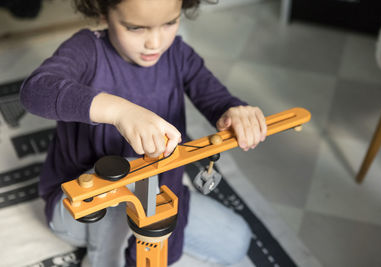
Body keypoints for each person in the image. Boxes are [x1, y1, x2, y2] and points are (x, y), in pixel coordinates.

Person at [20, 0, 267, 266]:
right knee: (125, 173)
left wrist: (235, 111)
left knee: (235, 240)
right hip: (79, 210)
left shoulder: (178, 54)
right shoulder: (86, 49)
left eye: (170, 23)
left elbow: (218, 100)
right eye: (136, 28)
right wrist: (118, 111)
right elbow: (36, 90)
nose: (155, 43)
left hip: (157, 195)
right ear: (103, 12)